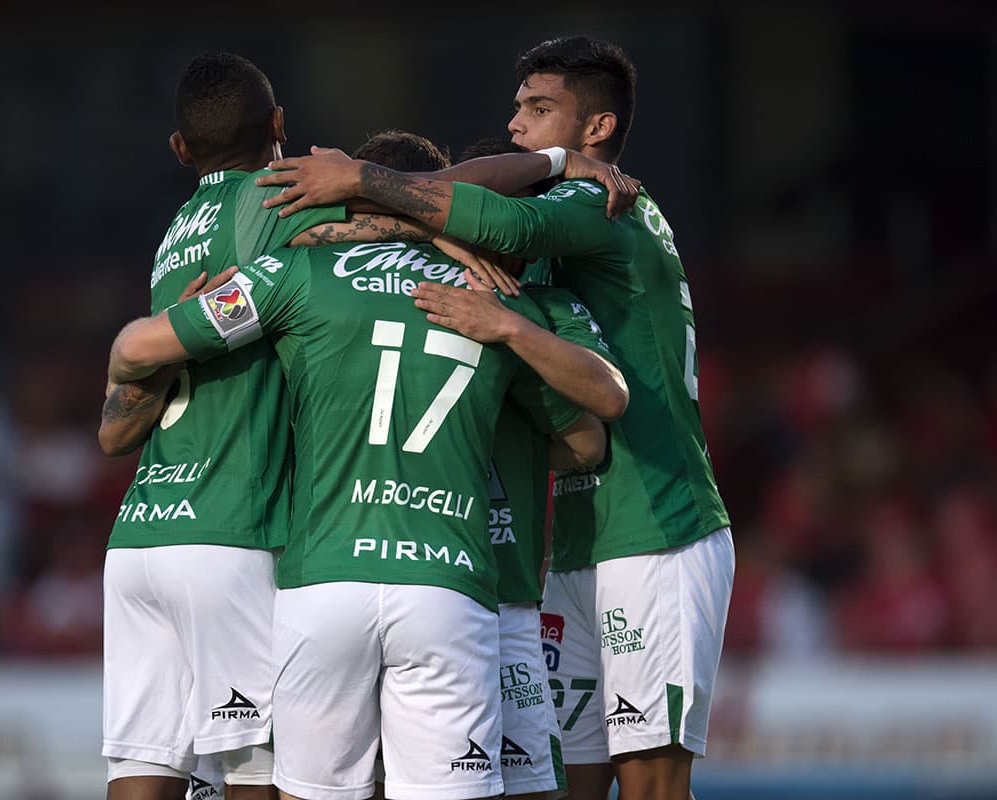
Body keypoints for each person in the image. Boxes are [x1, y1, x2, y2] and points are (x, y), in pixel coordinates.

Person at [253, 36, 735, 800]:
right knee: (570, 779)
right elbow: (470, 209)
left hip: (655, 519)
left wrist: (362, 186)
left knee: (649, 781)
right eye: (516, 109)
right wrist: (397, 220)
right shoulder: (555, 228)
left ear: (598, 129)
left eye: (539, 110)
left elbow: (494, 220)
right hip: (574, 538)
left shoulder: (598, 201)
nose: (516, 125)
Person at [103, 211, 622, 800]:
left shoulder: (301, 276)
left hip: (322, 581)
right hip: (447, 583)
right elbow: (589, 436)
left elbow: (132, 357)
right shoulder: (494, 307)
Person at [98, 52, 355, 800]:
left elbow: (115, 434)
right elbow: (413, 213)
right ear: (278, 126)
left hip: (141, 535)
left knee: (144, 767)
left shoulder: (175, 234)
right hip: (230, 527)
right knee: (257, 772)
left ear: (181, 150)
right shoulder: (282, 202)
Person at [357, 132, 628, 800]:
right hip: (490, 586)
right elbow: (588, 439)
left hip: (344, 576)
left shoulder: (333, 296)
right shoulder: (526, 308)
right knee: (520, 785)